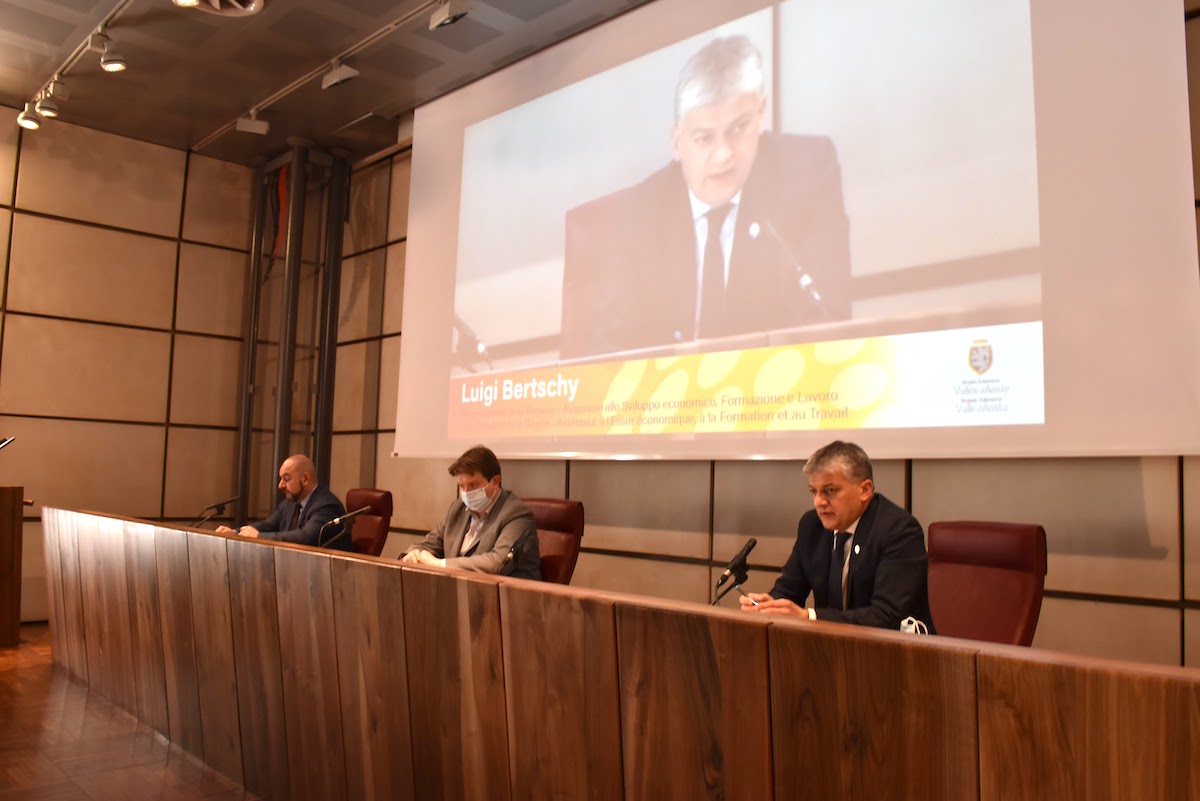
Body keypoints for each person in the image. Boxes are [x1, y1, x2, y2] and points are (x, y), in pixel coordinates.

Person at [559, 34, 851, 359]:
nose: (723, 154)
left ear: (760, 114)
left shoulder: (805, 176)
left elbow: (827, 323)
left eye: (738, 129)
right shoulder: (637, 219)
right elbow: (605, 357)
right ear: (676, 142)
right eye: (704, 139)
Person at [740, 440, 935, 632]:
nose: (819, 501)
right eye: (813, 491)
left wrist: (809, 617)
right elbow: (789, 590)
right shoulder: (812, 526)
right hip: (831, 651)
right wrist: (769, 605)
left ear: (865, 490)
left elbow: (887, 617)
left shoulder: (899, 531)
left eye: (829, 490)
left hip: (895, 655)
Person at [401, 445, 541, 580]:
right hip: (463, 593)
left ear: (495, 481)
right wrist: (414, 554)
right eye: (462, 486)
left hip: (511, 598)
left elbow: (497, 563)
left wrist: (440, 564)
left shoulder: (517, 514)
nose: (467, 493)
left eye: (473, 485)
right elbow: (429, 544)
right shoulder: (458, 509)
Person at [215, 454, 353, 551]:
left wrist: (258, 537)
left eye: (286, 479)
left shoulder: (326, 505)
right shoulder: (290, 503)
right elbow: (268, 525)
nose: (280, 485)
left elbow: (305, 538)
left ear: (305, 479)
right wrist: (235, 532)